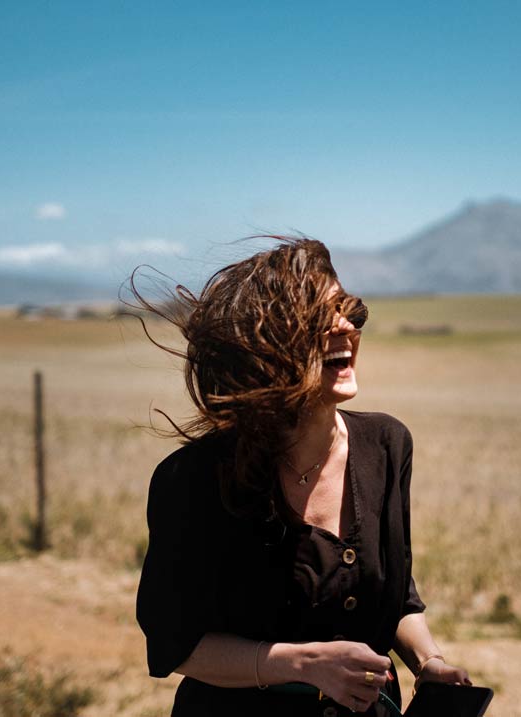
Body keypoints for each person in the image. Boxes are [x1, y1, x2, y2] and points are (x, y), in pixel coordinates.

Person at [133, 237, 471, 716]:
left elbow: (395, 593)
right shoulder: (194, 479)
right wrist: (303, 663)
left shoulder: (387, 445)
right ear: (263, 346)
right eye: (317, 318)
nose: (344, 326)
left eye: (348, 310)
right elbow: (175, 642)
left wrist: (428, 661)